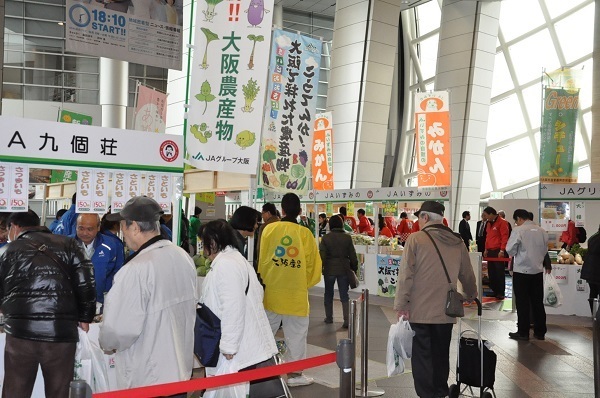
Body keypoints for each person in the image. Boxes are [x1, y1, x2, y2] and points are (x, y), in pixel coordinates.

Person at [99, 196, 196, 392]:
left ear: (134, 227)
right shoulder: (182, 256)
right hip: (179, 371)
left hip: (148, 377)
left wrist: (105, 341)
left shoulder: (135, 269)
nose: (122, 233)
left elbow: (118, 330)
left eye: (123, 227)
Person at [0, 210, 96, 398]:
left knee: (16, 389)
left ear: (15, 227)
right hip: (60, 333)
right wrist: (86, 317)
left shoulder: (7, 251)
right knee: (59, 391)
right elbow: (86, 282)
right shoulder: (70, 245)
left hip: (20, 334)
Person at [394, 201, 477, 398]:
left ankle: (427, 395)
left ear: (425, 217)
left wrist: (401, 304)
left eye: (420, 218)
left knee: (422, 356)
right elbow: (467, 274)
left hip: (420, 311)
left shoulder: (416, 239)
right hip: (446, 311)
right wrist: (470, 295)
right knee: (441, 355)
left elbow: (406, 275)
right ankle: (440, 392)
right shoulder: (457, 241)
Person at [199, 220, 279, 396]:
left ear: (212, 242)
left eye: (203, 243)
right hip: (243, 341)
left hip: (237, 347)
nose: (202, 249)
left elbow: (232, 306)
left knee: (234, 390)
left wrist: (229, 346)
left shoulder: (227, 264)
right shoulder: (234, 260)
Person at [258, 193, 322, 387]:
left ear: (282, 210)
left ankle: (263, 371)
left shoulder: (270, 230)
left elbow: (263, 260)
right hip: (296, 295)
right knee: (296, 335)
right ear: (300, 211)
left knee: (267, 332)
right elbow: (313, 265)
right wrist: (303, 283)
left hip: (272, 293)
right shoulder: (305, 234)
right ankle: (295, 375)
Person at [506, 209, 550, 341]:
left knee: (522, 302)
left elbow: (510, 249)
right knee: (537, 302)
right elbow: (545, 250)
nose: (516, 223)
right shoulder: (542, 231)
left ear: (519, 218)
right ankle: (540, 332)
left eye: (516, 221)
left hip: (522, 271)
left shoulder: (518, 230)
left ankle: (523, 332)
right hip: (537, 271)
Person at [73, 213, 124, 308]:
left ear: (98, 227)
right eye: (81, 228)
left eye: (89, 229)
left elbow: (118, 272)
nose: (84, 233)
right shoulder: (67, 244)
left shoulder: (112, 245)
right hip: (73, 301)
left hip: (101, 301)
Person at [320, 214, 358, 328]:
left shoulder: (326, 238)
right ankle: (346, 321)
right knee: (344, 295)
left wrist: (322, 267)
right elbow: (353, 255)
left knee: (328, 294)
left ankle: (329, 318)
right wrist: (354, 268)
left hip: (329, 269)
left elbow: (322, 255)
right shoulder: (347, 237)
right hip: (344, 269)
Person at [483, 206, 510, 299]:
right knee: (491, 272)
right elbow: (487, 237)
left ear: (491, 214)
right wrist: (486, 249)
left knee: (499, 272)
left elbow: (504, 237)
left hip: (498, 251)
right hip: (490, 250)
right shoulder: (488, 223)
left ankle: (500, 292)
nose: (485, 217)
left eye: (486, 215)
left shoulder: (503, 222)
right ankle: (494, 290)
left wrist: (502, 250)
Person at [583, 225, 600, 315]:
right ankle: (598, 317)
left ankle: (594, 315)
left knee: (593, 293)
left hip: (590, 271)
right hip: (597, 272)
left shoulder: (592, 238)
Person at [256, 203, 279, 267]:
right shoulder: (282, 224)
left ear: (268, 213)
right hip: (279, 260)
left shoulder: (264, 226)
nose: (262, 216)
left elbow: (259, 247)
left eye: (263, 213)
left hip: (267, 262)